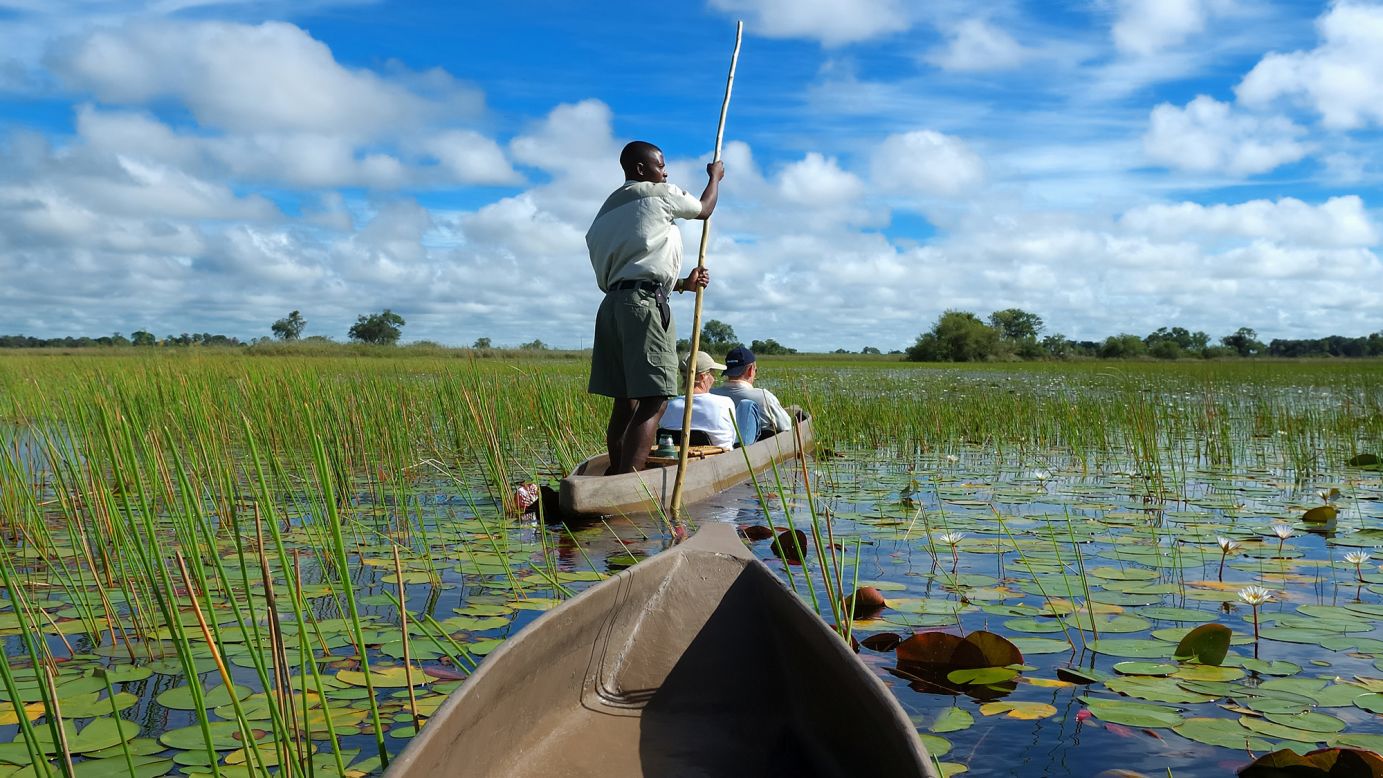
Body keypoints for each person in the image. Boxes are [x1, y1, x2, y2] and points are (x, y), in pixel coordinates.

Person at [586, 140, 725, 474]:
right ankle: (630, 481)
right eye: (660, 166)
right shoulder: (659, 194)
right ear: (640, 169)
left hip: (612, 306)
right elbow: (704, 208)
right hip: (644, 307)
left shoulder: (605, 211)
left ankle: (617, 474)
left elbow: (632, 267)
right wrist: (715, 177)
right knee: (655, 398)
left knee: (626, 400)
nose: (665, 173)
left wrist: (682, 284)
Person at [657, 351, 743, 450]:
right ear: (703, 377)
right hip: (720, 457)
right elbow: (733, 438)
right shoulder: (724, 403)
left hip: (676, 457)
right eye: (712, 373)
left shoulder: (668, 406)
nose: (713, 378)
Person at [711, 346, 793, 438]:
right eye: (755, 370)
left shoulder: (710, 394)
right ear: (750, 370)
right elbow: (787, 426)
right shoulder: (764, 397)